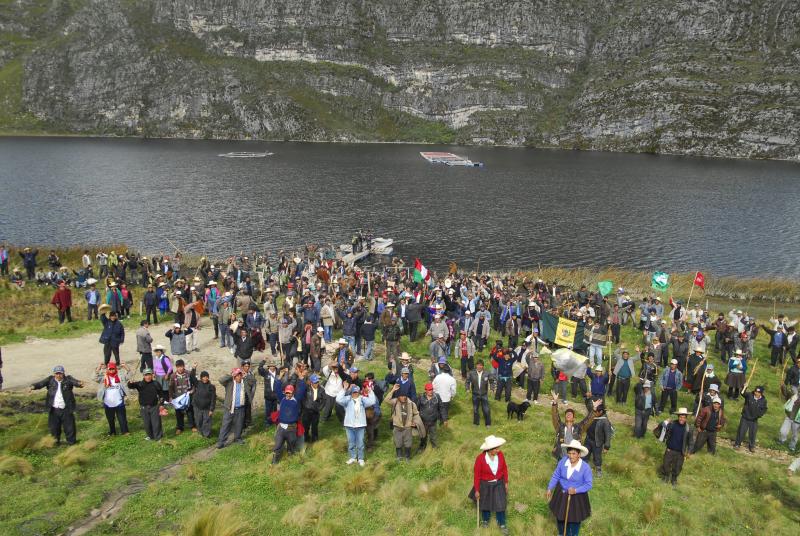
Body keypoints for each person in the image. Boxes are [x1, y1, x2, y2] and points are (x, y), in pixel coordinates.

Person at [547, 439, 593, 536]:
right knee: (560, 517)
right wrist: (550, 487)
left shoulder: (585, 467)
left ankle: (573, 534)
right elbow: (556, 475)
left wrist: (576, 490)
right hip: (561, 493)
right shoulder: (563, 461)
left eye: (574, 454)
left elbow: (588, 484)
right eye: (569, 453)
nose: (571, 456)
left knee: (574, 520)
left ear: (579, 454)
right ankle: (562, 533)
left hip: (577, 496)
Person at [30, 365, 84, 445]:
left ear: (63, 373)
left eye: (60, 373)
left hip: (66, 408)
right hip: (53, 409)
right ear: (54, 374)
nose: (58, 375)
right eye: (57, 373)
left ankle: (71, 443)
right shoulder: (50, 380)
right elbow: (41, 383)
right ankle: (55, 443)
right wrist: (33, 386)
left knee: (69, 427)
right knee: (54, 428)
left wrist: (79, 383)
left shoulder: (68, 379)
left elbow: (75, 382)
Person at [473, 435, 510, 535]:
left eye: (498, 448)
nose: (498, 450)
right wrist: (477, 490)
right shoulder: (480, 459)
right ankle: (485, 520)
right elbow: (477, 476)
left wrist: (506, 482)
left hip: (499, 483)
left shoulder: (500, 455)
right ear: (489, 450)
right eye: (496, 448)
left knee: (500, 504)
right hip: (485, 485)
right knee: (485, 504)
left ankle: (501, 523)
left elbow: (505, 469)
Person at [336, 383, 377, 466]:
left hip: (360, 426)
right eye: (354, 392)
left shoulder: (362, 399)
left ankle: (361, 459)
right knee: (351, 443)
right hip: (349, 425)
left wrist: (370, 391)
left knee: (360, 443)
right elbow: (338, 399)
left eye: (357, 392)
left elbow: (372, 401)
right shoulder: (347, 399)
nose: (355, 394)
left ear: (359, 392)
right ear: (351, 393)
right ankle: (353, 457)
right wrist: (344, 389)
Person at [550, 393, 600, 460]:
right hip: (561, 454)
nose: (568, 415)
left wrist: (594, 410)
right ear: (565, 417)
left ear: (573, 418)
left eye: (570, 414)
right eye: (567, 414)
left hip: (574, 455)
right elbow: (555, 416)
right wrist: (555, 403)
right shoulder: (559, 426)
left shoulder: (579, 428)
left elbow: (588, 420)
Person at [656, 407, 694, 486]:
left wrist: (689, 452)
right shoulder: (672, 424)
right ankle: (666, 476)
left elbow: (690, 441)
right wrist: (665, 421)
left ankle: (674, 479)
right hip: (670, 449)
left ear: (686, 418)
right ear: (678, 416)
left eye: (684, 417)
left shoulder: (688, 428)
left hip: (681, 452)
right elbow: (660, 427)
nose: (682, 419)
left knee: (678, 467)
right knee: (666, 464)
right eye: (680, 417)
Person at [272, 380, 307, 463]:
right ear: (285, 392)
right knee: (278, 444)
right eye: (287, 393)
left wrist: (301, 379)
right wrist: (279, 379)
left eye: (290, 393)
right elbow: (277, 388)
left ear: (293, 393)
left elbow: (302, 389)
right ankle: (274, 460)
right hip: (281, 427)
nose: (288, 394)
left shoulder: (296, 401)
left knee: (291, 443)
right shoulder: (282, 399)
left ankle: (290, 456)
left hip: (292, 428)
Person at [127, 367, 163, 441]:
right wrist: (129, 383)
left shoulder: (156, 383)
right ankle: (150, 436)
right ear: (143, 376)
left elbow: (161, 394)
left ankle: (158, 437)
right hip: (144, 407)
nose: (148, 376)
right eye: (146, 375)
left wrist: (161, 404)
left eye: (149, 374)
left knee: (156, 423)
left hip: (154, 406)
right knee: (147, 424)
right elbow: (131, 386)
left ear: (152, 375)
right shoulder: (140, 384)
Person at [386, 383, 419, 461]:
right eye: (401, 396)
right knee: (398, 442)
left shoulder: (411, 404)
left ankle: (407, 457)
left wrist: (414, 422)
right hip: (397, 426)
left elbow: (416, 413)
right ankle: (399, 457)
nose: (403, 397)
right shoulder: (395, 402)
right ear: (398, 397)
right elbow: (386, 400)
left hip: (407, 427)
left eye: (405, 396)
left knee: (408, 443)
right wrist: (393, 390)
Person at [94, 361, 130, 436]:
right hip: (108, 403)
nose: (111, 370)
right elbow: (94, 378)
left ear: (115, 369)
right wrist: (98, 368)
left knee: (122, 419)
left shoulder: (120, 376)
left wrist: (126, 368)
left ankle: (125, 432)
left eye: (113, 369)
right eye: (110, 369)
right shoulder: (104, 377)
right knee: (110, 419)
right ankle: (112, 432)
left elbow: (129, 376)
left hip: (119, 401)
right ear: (107, 369)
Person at [217, 368, 248, 449]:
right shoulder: (229, 383)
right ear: (234, 376)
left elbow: (253, 381)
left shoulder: (244, 383)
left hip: (240, 408)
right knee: (226, 425)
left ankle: (237, 438)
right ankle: (221, 442)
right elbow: (221, 380)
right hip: (229, 408)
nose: (239, 377)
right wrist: (231, 375)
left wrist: (246, 375)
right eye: (237, 375)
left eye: (240, 375)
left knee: (239, 424)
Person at [734, 385, 767, 452]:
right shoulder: (749, 395)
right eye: (755, 391)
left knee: (753, 433)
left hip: (754, 419)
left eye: (758, 392)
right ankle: (737, 444)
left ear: (761, 393)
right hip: (745, 417)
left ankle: (751, 446)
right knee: (741, 431)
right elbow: (742, 393)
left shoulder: (763, 400)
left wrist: (759, 415)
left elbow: (764, 409)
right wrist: (744, 387)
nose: (756, 393)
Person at [583, 403, 612, 476]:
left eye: (596, 411)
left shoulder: (605, 421)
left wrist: (606, 447)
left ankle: (598, 469)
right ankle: (583, 468)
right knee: (585, 454)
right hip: (588, 439)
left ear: (601, 412)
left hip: (597, 442)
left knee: (597, 456)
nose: (594, 412)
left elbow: (608, 435)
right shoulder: (592, 416)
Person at [168, 359, 196, 435]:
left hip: (187, 397)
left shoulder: (188, 373)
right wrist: (170, 397)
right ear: (176, 367)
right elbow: (170, 387)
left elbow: (194, 382)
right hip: (178, 397)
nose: (180, 368)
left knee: (190, 412)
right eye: (178, 367)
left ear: (184, 366)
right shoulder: (173, 376)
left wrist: (192, 390)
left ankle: (192, 426)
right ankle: (180, 427)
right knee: (178, 413)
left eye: (181, 366)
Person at [465, 360, 495, 427]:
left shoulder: (487, 373)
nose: (479, 366)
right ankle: (476, 423)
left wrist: (492, 389)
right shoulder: (471, 373)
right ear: (476, 365)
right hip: (475, 394)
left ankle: (488, 424)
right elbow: (467, 381)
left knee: (486, 409)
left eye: (481, 365)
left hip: (484, 394)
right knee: (475, 409)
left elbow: (492, 381)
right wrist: (467, 389)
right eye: (478, 365)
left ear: (483, 366)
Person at [417, 383, 442, 451]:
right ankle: (422, 447)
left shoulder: (437, 397)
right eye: (429, 390)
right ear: (425, 390)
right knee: (423, 435)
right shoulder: (421, 397)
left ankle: (435, 447)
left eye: (431, 389)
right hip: (423, 421)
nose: (431, 391)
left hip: (433, 421)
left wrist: (443, 419)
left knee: (433, 435)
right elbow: (417, 408)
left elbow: (441, 408)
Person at [258, 359, 282, 428]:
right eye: (270, 366)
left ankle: (274, 421)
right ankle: (268, 422)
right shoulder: (265, 373)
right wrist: (263, 361)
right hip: (268, 395)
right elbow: (260, 368)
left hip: (276, 395)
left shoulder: (278, 372)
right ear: (268, 366)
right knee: (268, 410)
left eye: (273, 366)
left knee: (275, 410)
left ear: (275, 366)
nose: (272, 367)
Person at [192, 371, 216, 438]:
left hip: (207, 408)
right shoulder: (198, 384)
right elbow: (192, 377)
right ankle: (200, 433)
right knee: (198, 421)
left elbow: (213, 398)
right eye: (203, 377)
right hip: (197, 407)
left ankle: (206, 435)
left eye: (206, 377)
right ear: (201, 378)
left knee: (207, 421)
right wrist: (194, 369)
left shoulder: (211, 387)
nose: (205, 378)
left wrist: (211, 409)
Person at [303, 374, 325, 443]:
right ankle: (305, 438)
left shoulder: (321, 389)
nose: (316, 384)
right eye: (315, 382)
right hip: (307, 411)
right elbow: (301, 397)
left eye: (317, 382)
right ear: (311, 382)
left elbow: (324, 399)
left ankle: (314, 439)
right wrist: (305, 406)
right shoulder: (306, 388)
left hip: (316, 411)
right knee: (306, 426)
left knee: (315, 426)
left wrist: (320, 408)